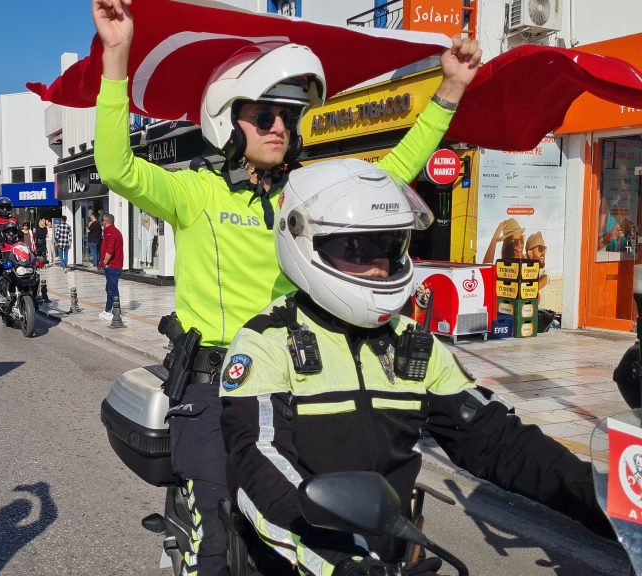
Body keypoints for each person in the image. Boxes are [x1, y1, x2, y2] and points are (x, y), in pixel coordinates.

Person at [91, 1, 481, 573]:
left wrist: (448, 91)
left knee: (325, 522)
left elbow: (387, 176)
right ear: (228, 119)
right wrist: (117, 54)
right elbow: (115, 166)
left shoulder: (301, 194)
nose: (279, 127)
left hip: (290, 377)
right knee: (218, 543)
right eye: (264, 114)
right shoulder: (195, 193)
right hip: (212, 385)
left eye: (288, 117)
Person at [219, 160, 612, 575]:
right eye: (355, 248)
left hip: (390, 559)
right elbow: (256, 462)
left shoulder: (412, 343)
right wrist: (340, 562)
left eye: (389, 246)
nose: (378, 265)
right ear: (302, 242)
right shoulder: (268, 342)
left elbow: (496, 440)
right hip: (300, 560)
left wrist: (602, 498)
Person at [98, 213, 123, 320]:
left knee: (112, 289)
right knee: (109, 288)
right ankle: (108, 310)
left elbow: (110, 250)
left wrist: (104, 263)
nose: (101, 222)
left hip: (112, 265)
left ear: (106, 221)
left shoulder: (110, 233)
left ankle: (116, 312)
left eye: (102, 220)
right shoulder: (113, 231)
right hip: (114, 265)